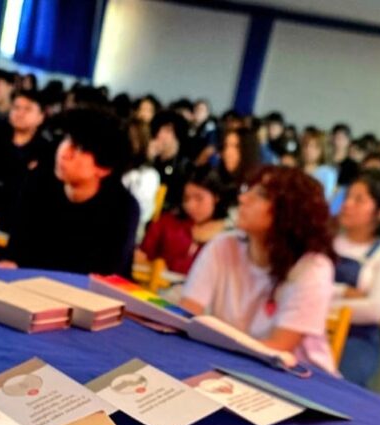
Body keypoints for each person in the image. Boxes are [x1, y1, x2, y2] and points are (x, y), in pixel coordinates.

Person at [181, 166, 336, 374]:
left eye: (261, 195)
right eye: (248, 190)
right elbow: (187, 314)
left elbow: (278, 348)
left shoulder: (312, 268)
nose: (243, 198)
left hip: (297, 377)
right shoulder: (223, 246)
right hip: (233, 364)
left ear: (290, 211)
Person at [0, 107, 139, 276]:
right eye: (67, 140)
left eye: (79, 149)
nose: (64, 153)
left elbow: (107, 275)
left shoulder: (122, 209)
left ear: (104, 168)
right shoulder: (38, 183)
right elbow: (14, 252)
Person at [332, 170, 380, 386]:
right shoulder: (325, 242)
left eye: (359, 200)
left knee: (338, 387)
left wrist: (319, 303)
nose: (347, 204)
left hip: (356, 338)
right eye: (347, 197)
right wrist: (343, 292)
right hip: (309, 327)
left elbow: (374, 310)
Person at [0, 88, 52, 217]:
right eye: (16, 108)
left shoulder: (46, 151)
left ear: (41, 117)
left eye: (27, 109)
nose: (20, 113)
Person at [137, 165, 228, 274]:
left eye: (199, 198)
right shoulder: (166, 223)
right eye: (186, 198)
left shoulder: (227, 238)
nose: (190, 205)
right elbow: (143, 255)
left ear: (216, 198)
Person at [121, 118, 161, 229]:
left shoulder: (148, 175)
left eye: (135, 138)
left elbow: (142, 213)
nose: (129, 142)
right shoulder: (113, 166)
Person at [150, 110, 192, 213]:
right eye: (159, 130)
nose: (161, 135)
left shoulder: (185, 167)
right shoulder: (152, 160)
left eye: (168, 131)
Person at [217, 126, 261, 211]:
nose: (227, 152)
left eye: (236, 147)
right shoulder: (218, 182)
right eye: (226, 146)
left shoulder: (257, 188)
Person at [298, 128, 337, 200]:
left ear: (323, 150)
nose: (308, 150)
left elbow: (327, 198)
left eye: (314, 147)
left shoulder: (327, 173)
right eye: (306, 145)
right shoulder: (296, 170)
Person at [331, 123, 359, 188]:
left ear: (349, 141)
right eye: (337, 137)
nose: (340, 141)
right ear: (332, 139)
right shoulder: (325, 161)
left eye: (343, 138)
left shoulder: (353, 166)